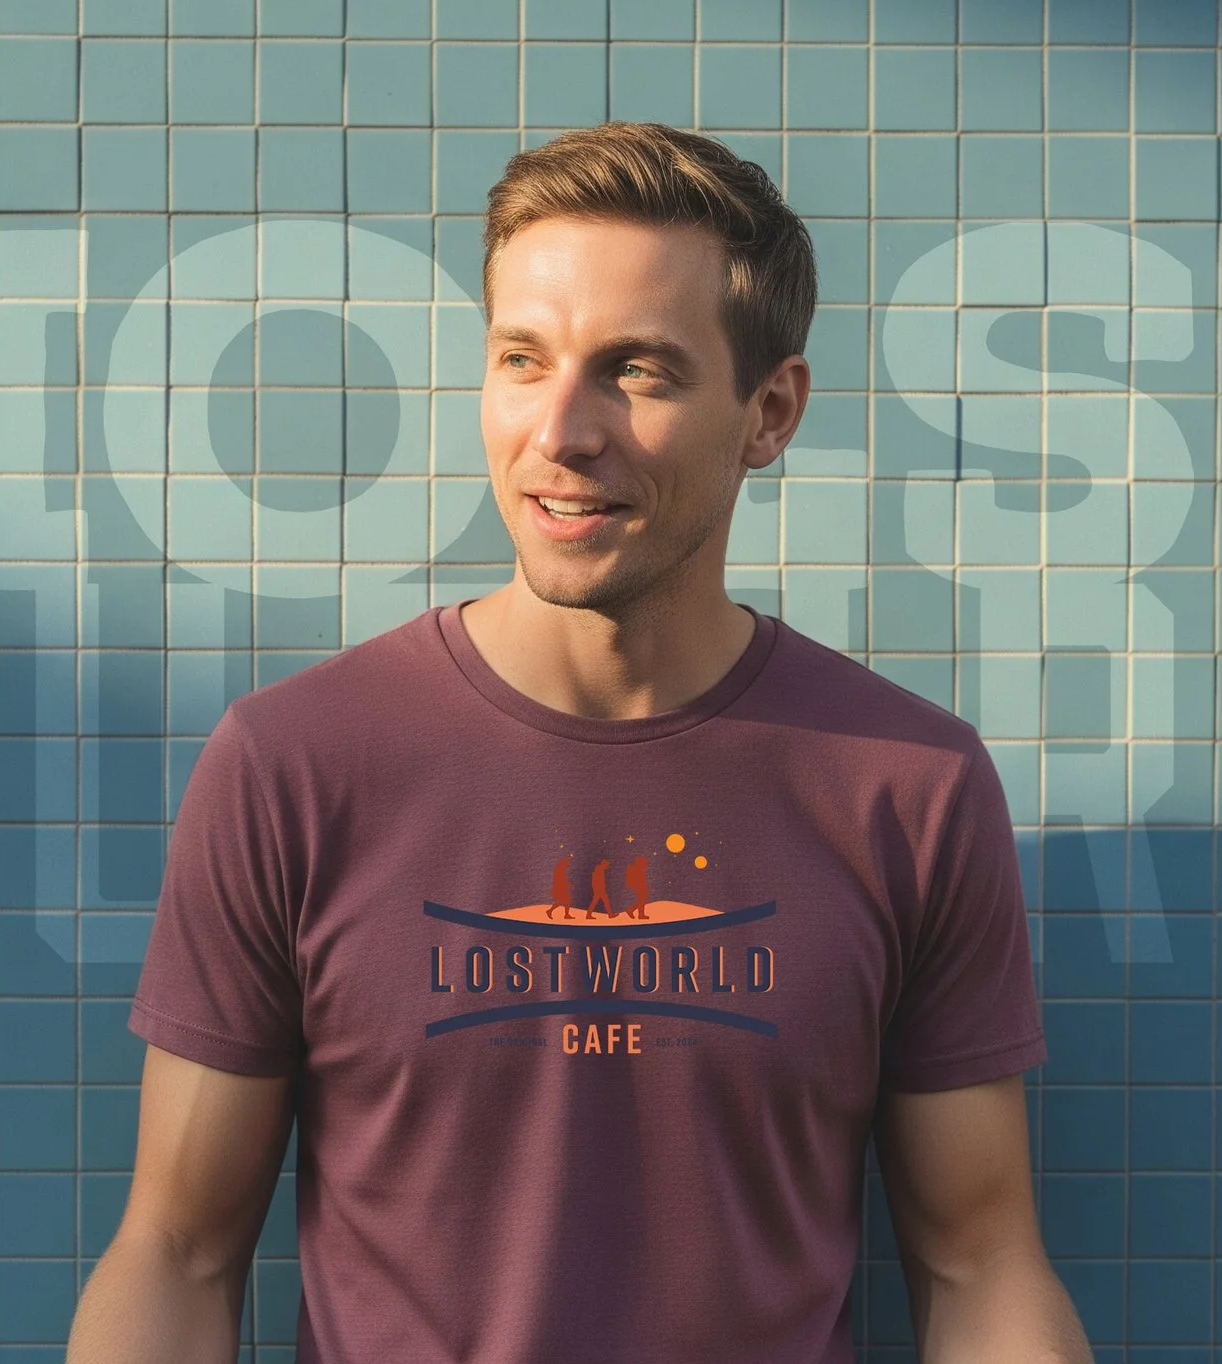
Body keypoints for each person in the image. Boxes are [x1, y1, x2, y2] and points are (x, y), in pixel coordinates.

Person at [69, 121, 1087, 1363]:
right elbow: (177, 1250)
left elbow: (980, 1260)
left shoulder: (907, 787)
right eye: (521, 359)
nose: (560, 430)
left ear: (769, 411)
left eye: (636, 371)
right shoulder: (294, 765)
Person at [546, 852, 575, 920]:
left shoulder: (561, 870)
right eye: (567, 864)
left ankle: (564, 914)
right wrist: (568, 885)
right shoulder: (560, 871)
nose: (568, 866)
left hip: (561, 889)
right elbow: (561, 881)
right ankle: (551, 911)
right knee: (563, 901)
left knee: (563, 901)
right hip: (559, 889)